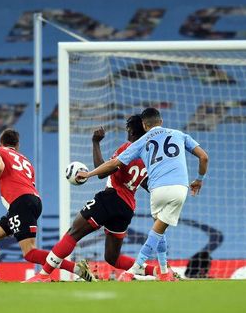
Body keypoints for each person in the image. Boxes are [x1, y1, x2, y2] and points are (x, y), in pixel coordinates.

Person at [78, 108, 209, 282]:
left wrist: (89, 174)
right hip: (178, 187)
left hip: (156, 190)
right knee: (159, 231)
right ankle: (141, 271)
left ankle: (155, 271)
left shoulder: (142, 141)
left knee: (159, 228)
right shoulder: (179, 134)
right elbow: (204, 157)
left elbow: (113, 164)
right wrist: (199, 179)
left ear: (145, 126)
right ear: (160, 121)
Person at [25, 116, 159, 282]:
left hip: (111, 198)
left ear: (131, 131)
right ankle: (156, 272)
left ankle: (43, 275)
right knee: (112, 257)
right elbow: (146, 183)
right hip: (127, 208)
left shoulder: (128, 148)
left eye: (127, 130)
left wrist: (95, 143)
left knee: (73, 232)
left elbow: (103, 172)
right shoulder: (148, 157)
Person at [0, 128, 95, 283]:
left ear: (0, 143)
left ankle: (76, 268)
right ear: (17, 145)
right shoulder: (26, 162)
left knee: (30, 253)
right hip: (31, 201)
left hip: (20, 202)